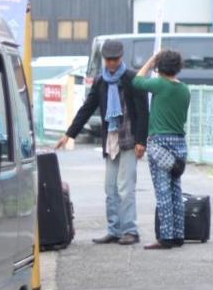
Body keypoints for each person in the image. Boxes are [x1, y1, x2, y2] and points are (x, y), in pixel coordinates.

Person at [56, 39, 149, 246]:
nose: (111, 64)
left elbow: (144, 112)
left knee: (125, 188)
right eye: (108, 60)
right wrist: (69, 134)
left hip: (130, 139)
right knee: (110, 188)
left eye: (115, 60)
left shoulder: (134, 79)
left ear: (121, 58)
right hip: (111, 140)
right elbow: (87, 108)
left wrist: (141, 141)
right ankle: (114, 230)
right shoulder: (101, 81)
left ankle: (130, 231)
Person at [132, 48, 192, 250]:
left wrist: (150, 61)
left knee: (163, 191)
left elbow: (137, 81)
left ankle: (165, 237)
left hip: (160, 144)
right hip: (180, 145)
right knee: (176, 190)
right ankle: (178, 235)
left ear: (160, 67)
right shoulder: (184, 89)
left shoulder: (159, 84)